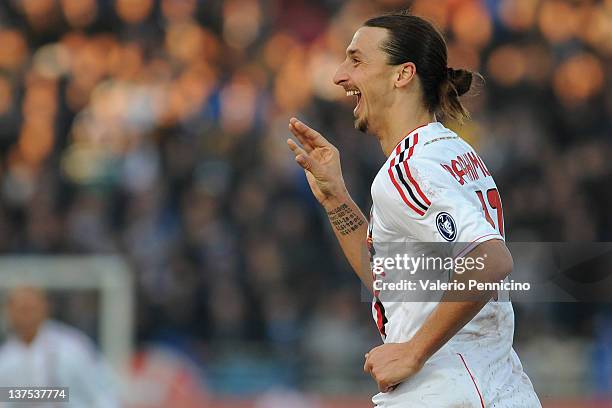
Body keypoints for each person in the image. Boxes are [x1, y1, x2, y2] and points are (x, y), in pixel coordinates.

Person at [286, 12, 541, 407]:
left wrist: (413, 351)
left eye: (356, 60)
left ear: (402, 75)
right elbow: (395, 284)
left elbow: (490, 260)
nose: (339, 75)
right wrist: (336, 198)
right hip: (498, 383)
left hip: (446, 386)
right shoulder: (454, 152)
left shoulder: (410, 170)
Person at [0, 287, 119, 407]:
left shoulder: (72, 347)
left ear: (44, 307)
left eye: (30, 309)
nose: (26, 316)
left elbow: (103, 392)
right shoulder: (6, 357)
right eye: (20, 310)